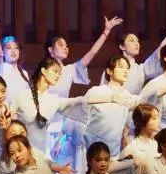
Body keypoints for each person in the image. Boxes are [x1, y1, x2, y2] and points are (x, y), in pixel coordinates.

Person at [43, 16, 123, 166]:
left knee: (62, 165)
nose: (65, 48)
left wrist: (106, 31)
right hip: (44, 123)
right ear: (50, 50)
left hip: (61, 126)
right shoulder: (43, 71)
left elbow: (91, 53)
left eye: (66, 45)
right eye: (61, 45)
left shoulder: (69, 70)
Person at [99, 9, 166, 94]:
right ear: (122, 46)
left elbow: (162, 48)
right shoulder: (112, 68)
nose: (136, 43)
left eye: (137, 41)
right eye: (132, 40)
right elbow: (102, 92)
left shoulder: (141, 70)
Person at [0, 12, 30, 99]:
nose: (13, 51)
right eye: (9, 48)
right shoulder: (1, 67)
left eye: (16, 48)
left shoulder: (24, 73)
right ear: (3, 51)